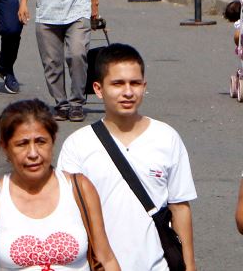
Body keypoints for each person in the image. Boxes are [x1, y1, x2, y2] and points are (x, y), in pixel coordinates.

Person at [57, 44, 197, 270]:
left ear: (144, 86)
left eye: (135, 83)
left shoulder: (166, 138)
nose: (128, 92)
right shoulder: (78, 145)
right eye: (117, 84)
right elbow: (66, 214)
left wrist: (189, 266)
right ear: (98, 89)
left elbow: (180, 207)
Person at [0, 99, 119, 271]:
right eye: (22, 144)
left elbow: (106, 259)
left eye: (41, 141)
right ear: (5, 147)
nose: (33, 154)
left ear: (53, 140)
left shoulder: (80, 189)